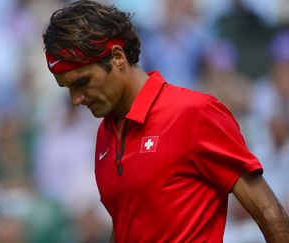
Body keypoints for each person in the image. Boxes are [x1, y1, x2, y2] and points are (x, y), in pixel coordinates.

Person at [42, 1, 289, 242]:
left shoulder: (194, 113)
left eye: (82, 82)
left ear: (117, 57)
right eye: (67, 88)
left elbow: (269, 212)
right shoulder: (105, 135)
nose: (75, 100)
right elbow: (127, 226)